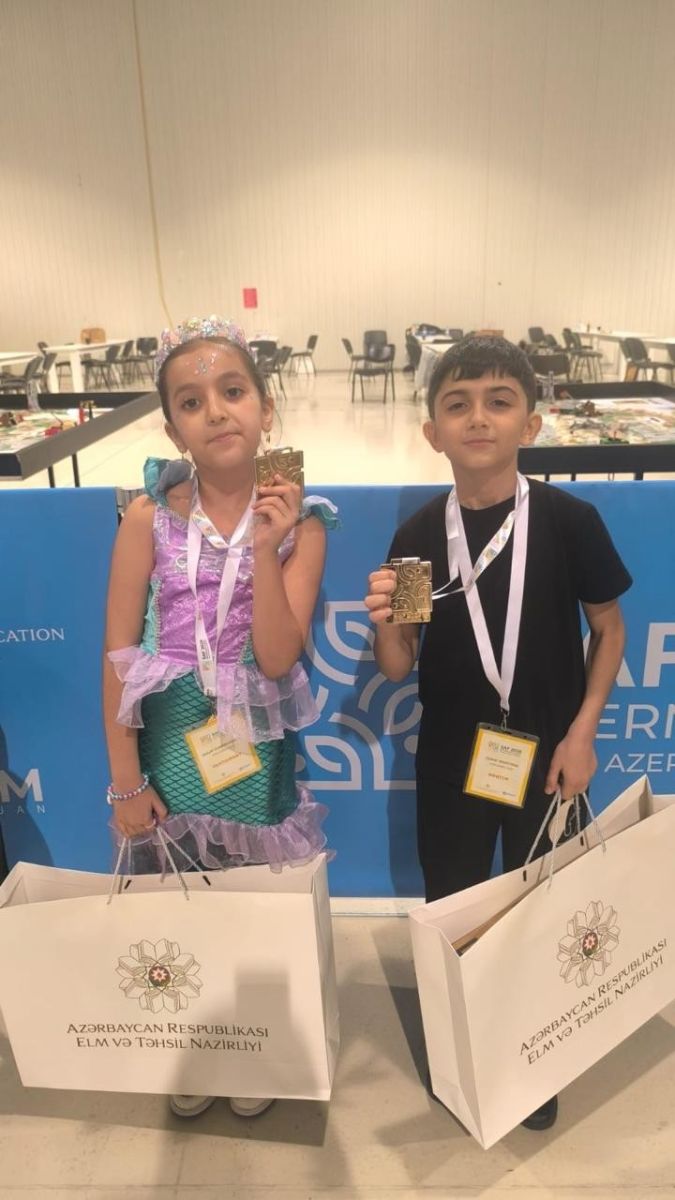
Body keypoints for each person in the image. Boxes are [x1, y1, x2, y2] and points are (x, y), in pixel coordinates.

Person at [364, 336, 631, 1132]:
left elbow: (608, 630)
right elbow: (399, 662)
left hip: (549, 755)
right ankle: (462, 1047)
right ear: (432, 432)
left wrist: (582, 734)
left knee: (540, 905)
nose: (477, 417)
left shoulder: (569, 521)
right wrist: (383, 622)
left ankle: (531, 1053)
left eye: (497, 401)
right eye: (457, 404)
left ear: (530, 423)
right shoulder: (419, 536)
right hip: (454, 760)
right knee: (452, 903)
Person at [103, 315, 337, 1120]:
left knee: (248, 909)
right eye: (191, 401)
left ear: (266, 409)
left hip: (252, 748)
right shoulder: (147, 519)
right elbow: (117, 656)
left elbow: (275, 657)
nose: (216, 411)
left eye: (232, 391)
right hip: (169, 743)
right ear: (174, 429)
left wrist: (268, 547)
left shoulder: (306, 524)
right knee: (178, 905)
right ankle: (192, 1047)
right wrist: (125, 780)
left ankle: (252, 1046)